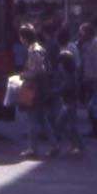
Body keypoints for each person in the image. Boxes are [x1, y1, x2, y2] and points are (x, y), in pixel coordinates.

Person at [19, 23, 59, 158]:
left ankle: (32, 148)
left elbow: (37, 71)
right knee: (42, 119)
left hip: (35, 88)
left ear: (24, 37)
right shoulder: (40, 48)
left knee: (32, 120)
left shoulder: (33, 51)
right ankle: (54, 144)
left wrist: (24, 75)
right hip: (43, 87)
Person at [54, 50, 84, 156]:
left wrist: (56, 91)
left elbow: (67, 86)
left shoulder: (68, 73)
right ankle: (76, 145)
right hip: (68, 100)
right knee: (62, 124)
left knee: (70, 125)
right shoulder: (70, 72)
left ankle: (78, 146)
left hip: (69, 101)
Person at [78, 23, 97, 103]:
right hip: (89, 80)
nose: (80, 36)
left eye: (81, 33)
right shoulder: (86, 44)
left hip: (96, 81)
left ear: (87, 32)